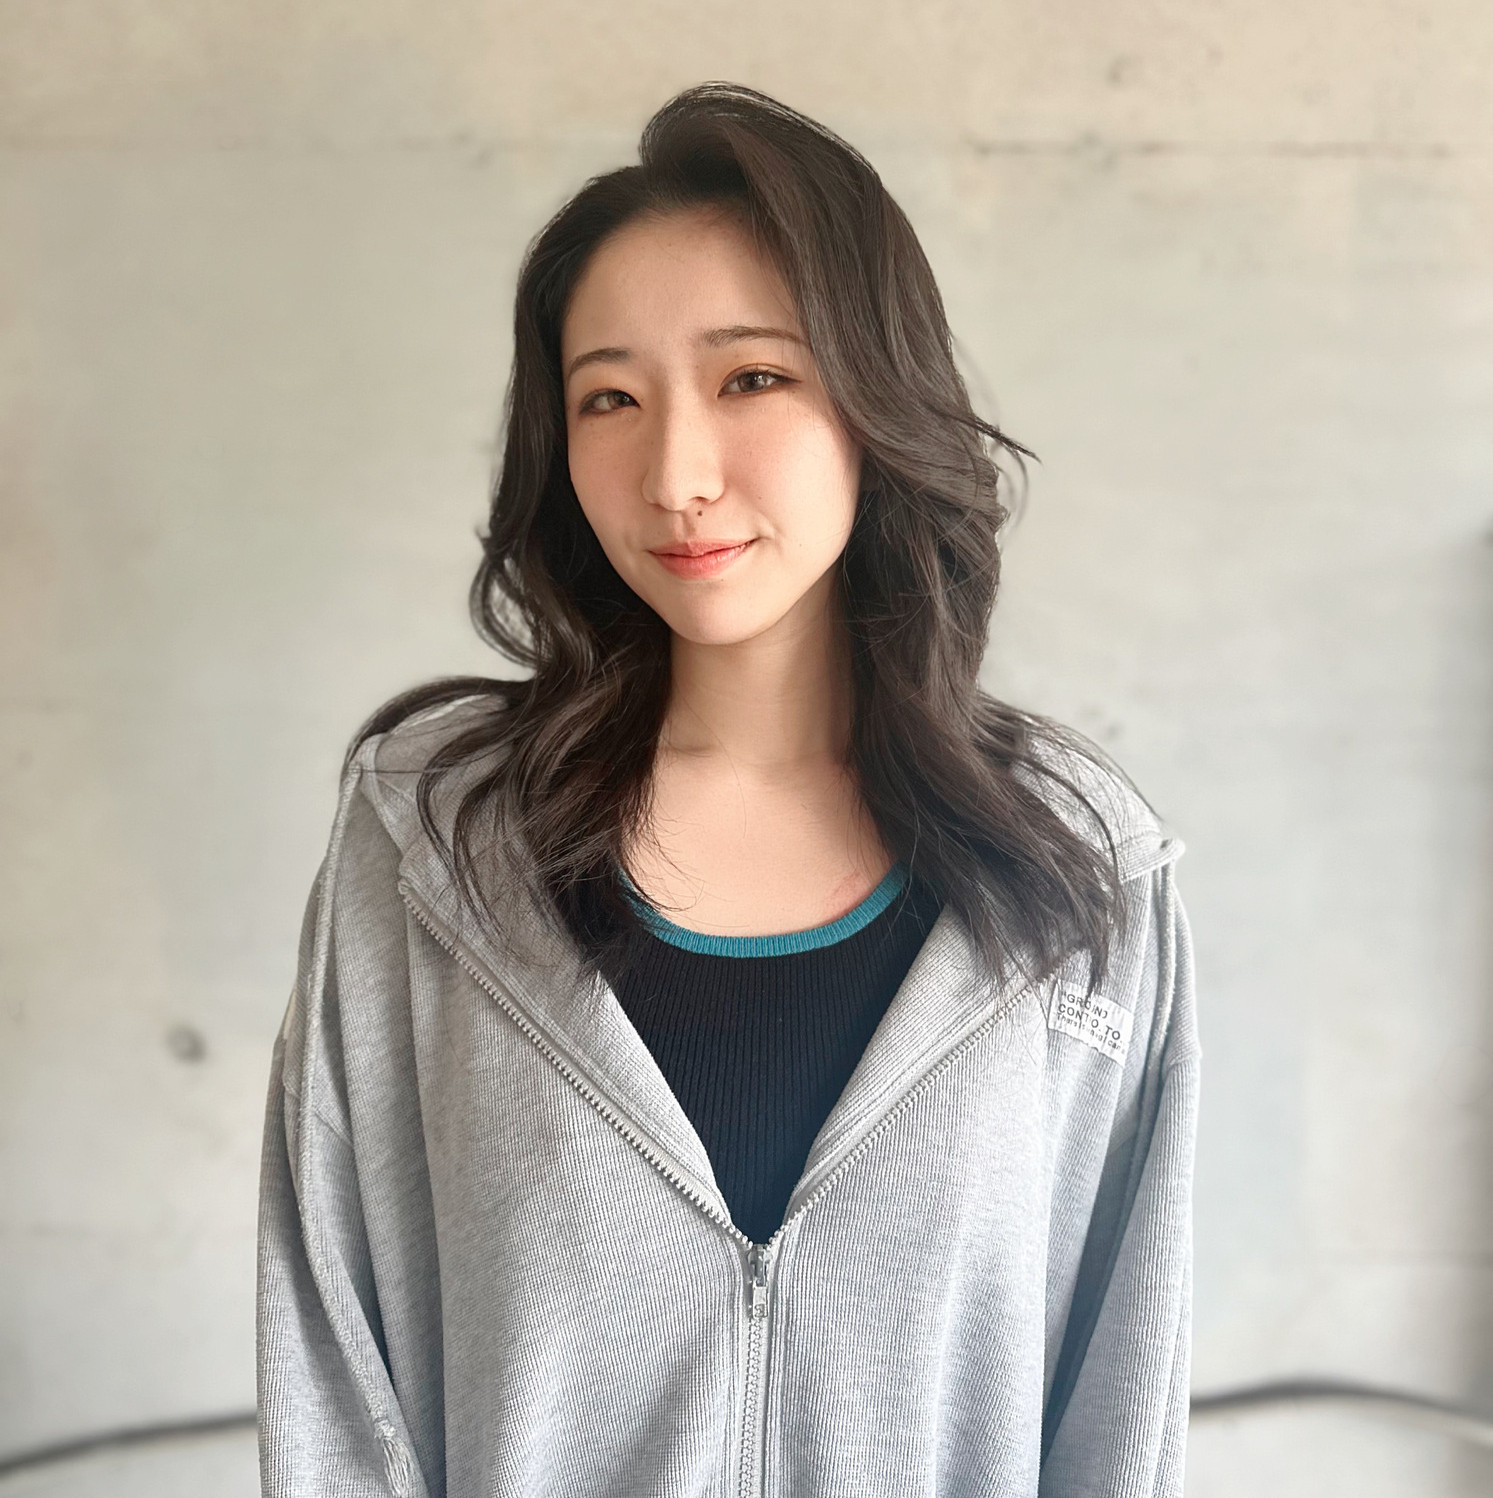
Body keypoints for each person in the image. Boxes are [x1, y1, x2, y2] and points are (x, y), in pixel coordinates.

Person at [257, 82, 1199, 1498]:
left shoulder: (1075, 869)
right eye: (609, 398)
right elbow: (335, 1368)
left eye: (751, 378)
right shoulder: (437, 840)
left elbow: (1121, 1405)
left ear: (873, 398)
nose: (676, 473)